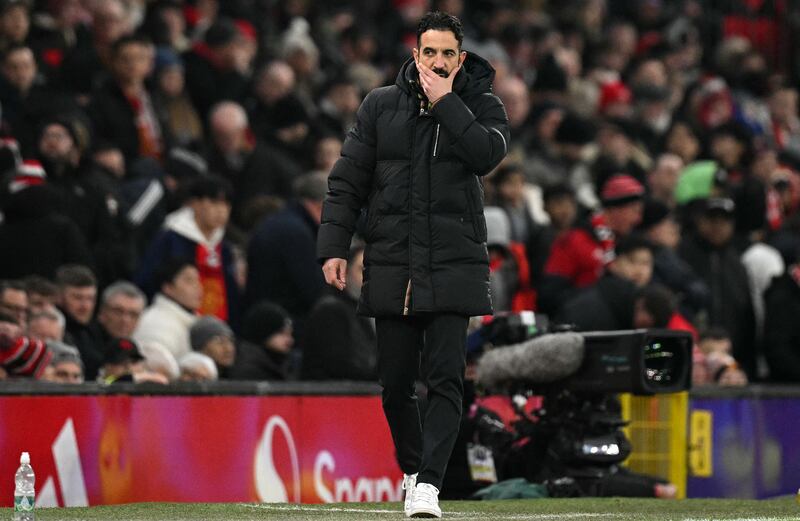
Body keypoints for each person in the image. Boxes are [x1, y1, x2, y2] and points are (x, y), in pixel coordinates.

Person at [316, 11, 509, 518]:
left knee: (447, 379)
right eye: (430, 52)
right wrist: (334, 246)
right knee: (396, 383)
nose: (439, 61)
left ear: (461, 58)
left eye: (449, 53)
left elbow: (485, 154)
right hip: (393, 260)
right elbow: (347, 182)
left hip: (454, 262)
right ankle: (411, 468)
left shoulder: (482, 103)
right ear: (415, 54)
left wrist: (447, 104)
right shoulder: (380, 105)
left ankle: (428, 487)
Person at [136, 176, 239, 325]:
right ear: (195, 204)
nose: (221, 211)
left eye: (226, 205)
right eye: (214, 203)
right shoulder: (170, 238)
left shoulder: (225, 248)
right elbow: (148, 281)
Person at [302, 241, 377, 381]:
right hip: (330, 399)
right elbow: (343, 368)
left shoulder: (366, 311)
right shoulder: (330, 312)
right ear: (344, 273)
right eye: (363, 270)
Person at [132, 259, 201, 360]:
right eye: (189, 281)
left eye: (198, 280)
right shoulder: (156, 323)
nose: (198, 287)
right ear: (168, 287)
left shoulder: (189, 321)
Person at [55, 264, 104, 380]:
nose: (85, 306)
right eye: (78, 298)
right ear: (59, 297)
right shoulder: (54, 329)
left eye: (90, 299)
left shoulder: (94, 332)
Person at [230, 300, 294, 381]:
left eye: (290, 334)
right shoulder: (249, 372)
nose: (290, 340)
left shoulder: (279, 363)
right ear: (264, 332)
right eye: (282, 333)